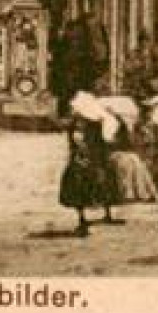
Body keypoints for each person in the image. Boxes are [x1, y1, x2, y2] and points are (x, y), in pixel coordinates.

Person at [59, 93, 120, 236]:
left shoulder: (81, 123)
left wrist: (80, 155)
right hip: (96, 159)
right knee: (99, 185)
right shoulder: (98, 121)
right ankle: (101, 215)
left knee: (79, 189)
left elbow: (79, 141)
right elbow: (106, 140)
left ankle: (82, 221)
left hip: (84, 160)